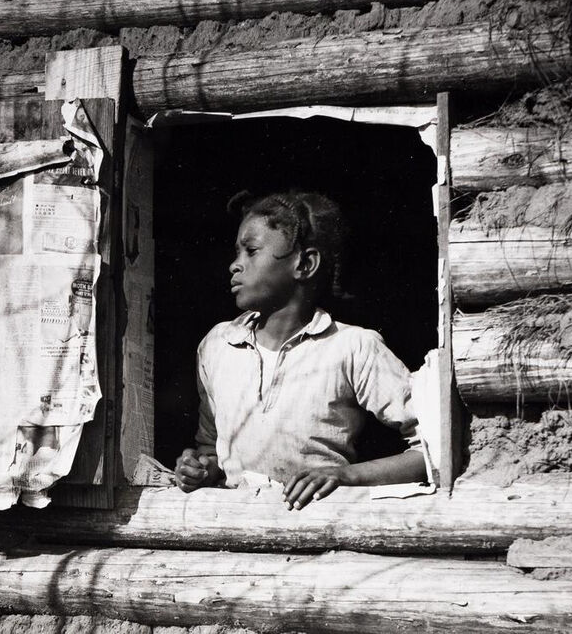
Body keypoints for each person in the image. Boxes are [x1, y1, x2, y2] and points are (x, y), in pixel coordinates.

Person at [174, 190, 427, 510]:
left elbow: (434, 448)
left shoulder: (352, 348)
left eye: (251, 251)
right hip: (236, 531)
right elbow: (211, 448)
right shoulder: (218, 345)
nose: (235, 265)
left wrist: (347, 475)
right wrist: (200, 469)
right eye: (236, 252)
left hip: (315, 531)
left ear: (305, 264)